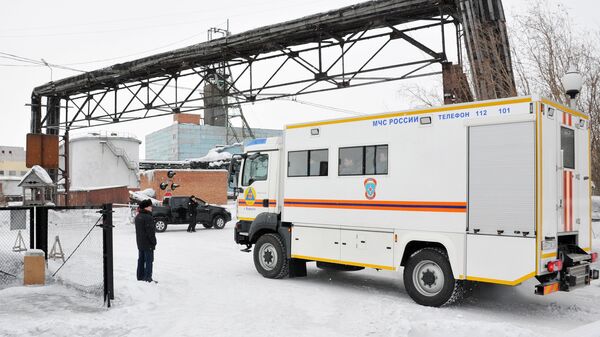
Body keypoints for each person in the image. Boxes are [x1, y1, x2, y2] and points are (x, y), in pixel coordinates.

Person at [135, 199, 157, 283]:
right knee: (149, 261)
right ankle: (148, 278)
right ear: (146, 207)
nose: (151, 207)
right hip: (148, 243)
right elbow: (150, 233)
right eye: (150, 206)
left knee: (141, 259)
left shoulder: (138, 216)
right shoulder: (148, 217)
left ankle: (140, 276)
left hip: (140, 243)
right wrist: (154, 242)